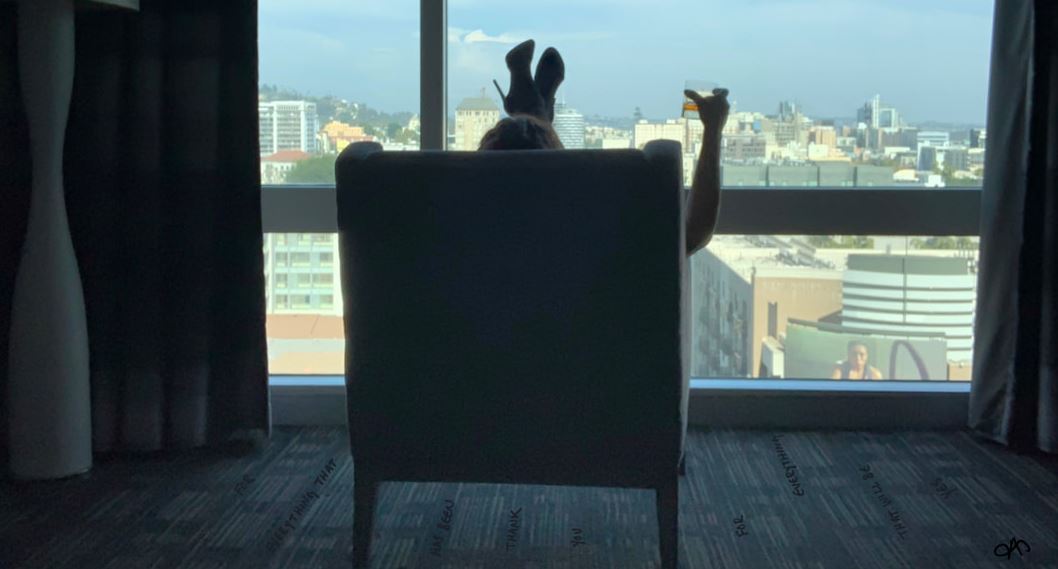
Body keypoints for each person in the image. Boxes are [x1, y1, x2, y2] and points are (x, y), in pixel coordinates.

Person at [481, 39, 729, 257]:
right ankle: (534, 111)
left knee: (523, 138)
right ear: (561, 167)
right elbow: (694, 232)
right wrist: (712, 130)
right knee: (532, 139)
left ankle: (534, 110)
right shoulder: (585, 231)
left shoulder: (465, 225)